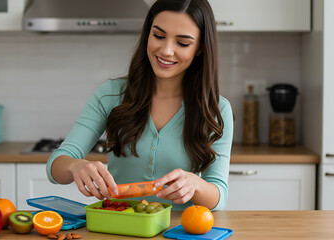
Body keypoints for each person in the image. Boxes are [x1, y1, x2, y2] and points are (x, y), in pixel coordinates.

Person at [46, 0, 233, 211]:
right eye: (159, 36)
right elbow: (55, 166)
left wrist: (196, 185)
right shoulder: (110, 94)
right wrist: (75, 166)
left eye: (182, 43)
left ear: (199, 48)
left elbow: (219, 196)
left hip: (181, 230)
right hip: (118, 227)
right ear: (148, 34)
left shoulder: (216, 109)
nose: (166, 50)